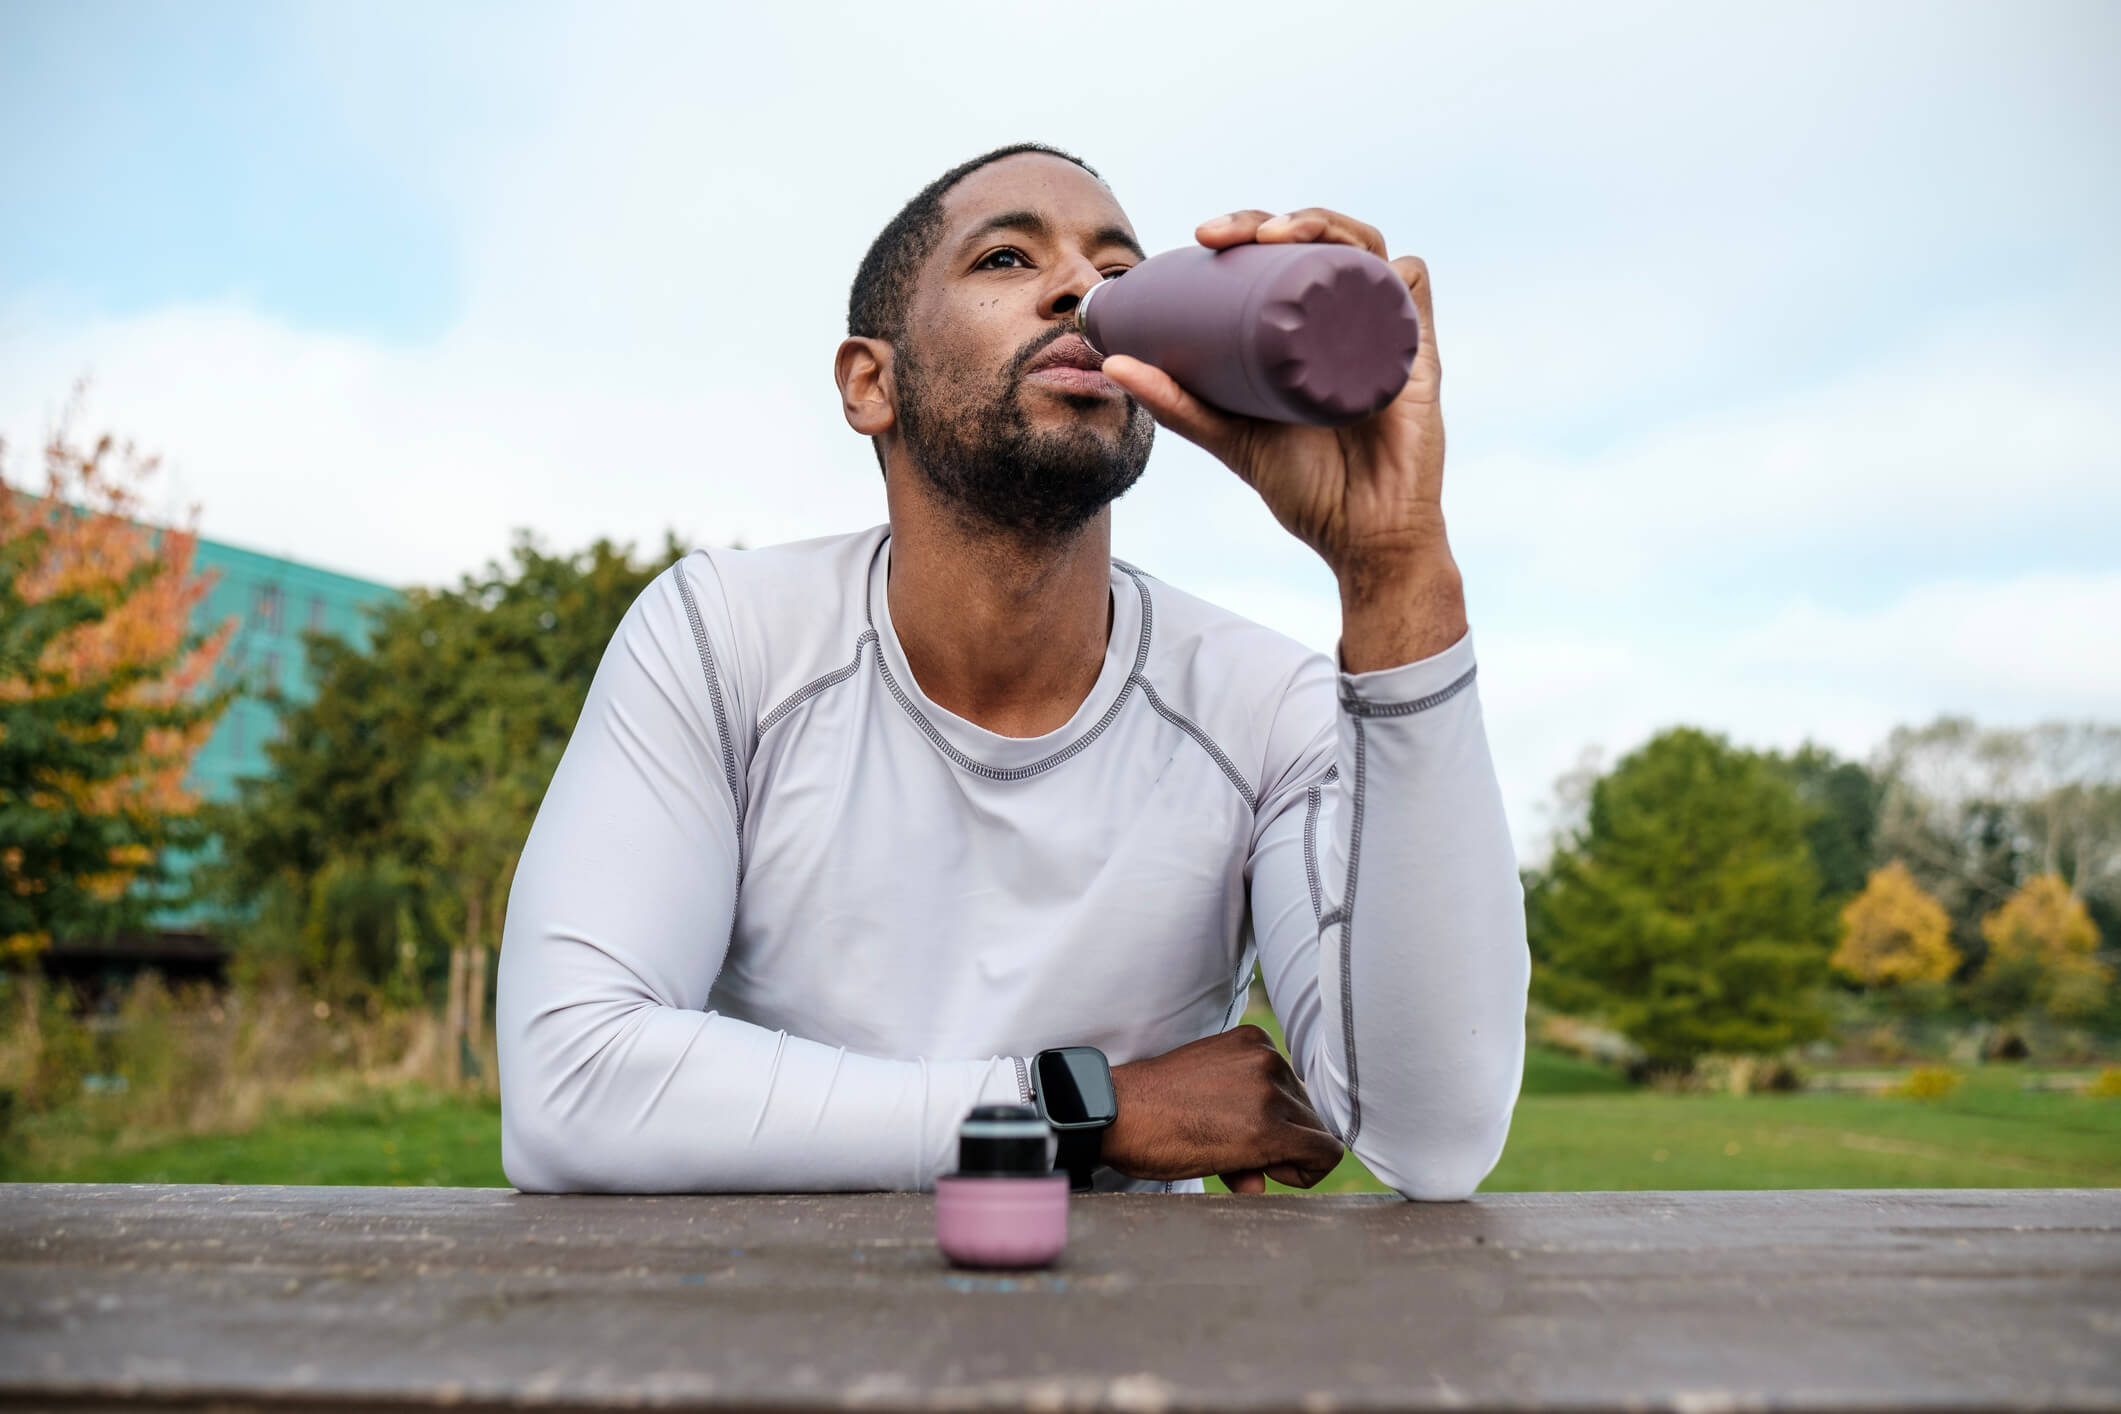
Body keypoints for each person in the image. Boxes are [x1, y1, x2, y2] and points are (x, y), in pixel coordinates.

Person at [496, 142, 1530, 1199]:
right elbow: (571, 1086)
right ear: (870, 382)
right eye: (1004, 259)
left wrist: (1393, 563)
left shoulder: (1262, 707)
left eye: (1121, 274)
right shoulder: (724, 638)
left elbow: (1433, 1135)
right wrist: (1086, 1110)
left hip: (1140, 1350)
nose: (1083, 288)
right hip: (783, 1334)